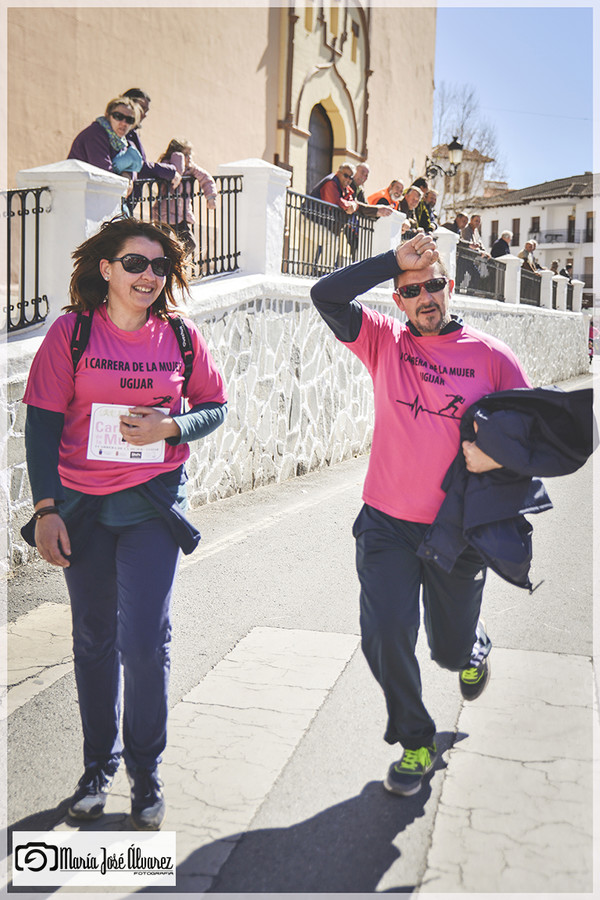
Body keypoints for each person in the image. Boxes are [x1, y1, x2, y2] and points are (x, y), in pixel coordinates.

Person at [22, 216, 227, 829]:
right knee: (93, 640)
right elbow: (42, 423)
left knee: (143, 641)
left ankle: (145, 771)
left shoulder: (181, 337)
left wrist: (173, 426)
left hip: (150, 506)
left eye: (159, 266)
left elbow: (214, 406)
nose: (148, 276)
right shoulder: (73, 333)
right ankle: (97, 768)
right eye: (135, 263)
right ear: (106, 269)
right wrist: (45, 510)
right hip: (82, 508)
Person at [310, 233, 531, 797]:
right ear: (398, 299)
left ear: (450, 289)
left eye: (435, 285)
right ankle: (415, 740)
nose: (426, 296)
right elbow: (327, 296)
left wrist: (496, 453)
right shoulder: (383, 342)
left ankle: (473, 646)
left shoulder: (491, 357)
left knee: (447, 650)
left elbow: (533, 434)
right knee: (385, 634)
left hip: (456, 531)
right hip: (385, 521)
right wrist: (394, 260)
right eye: (412, 289)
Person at [152, 138, 219, 256]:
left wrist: (211, 197)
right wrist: (178, 159)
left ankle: (175, 262)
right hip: (163, 214)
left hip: (181, 215)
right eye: (185, 154)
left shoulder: (191, 169)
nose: (189, 158)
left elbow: (206, 179)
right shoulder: (167, 166)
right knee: (161, 246)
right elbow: (177, 172)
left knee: (190, 244)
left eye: (190, 154)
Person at [68, 96, 144, 179]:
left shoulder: (121, 141)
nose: (123, 123)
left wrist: (128, 175)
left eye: (129, 120)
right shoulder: (95, 134)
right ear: (108, 115)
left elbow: (132, 166)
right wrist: (125, 180)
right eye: (118, 116)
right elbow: (104, 173)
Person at [121, 88, 181, 188]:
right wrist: (169, 171)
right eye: (141, 107)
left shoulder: (133, 133)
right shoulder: (122, 132)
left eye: (146, 110)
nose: (144, 114)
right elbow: (136, 166)